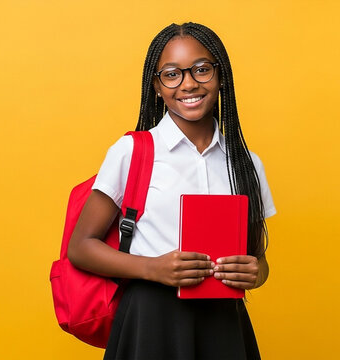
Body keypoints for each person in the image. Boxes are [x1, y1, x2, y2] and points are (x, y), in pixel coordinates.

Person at [68, 22, 276, 359]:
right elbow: (81, 247)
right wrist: (152, 268)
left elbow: (258, 258)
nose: (189, 83)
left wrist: (256, 272)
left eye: (202, 70)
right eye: (171, 74)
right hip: (149, 320)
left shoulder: (245, 163)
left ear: (221, 77)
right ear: (156, 87)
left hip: (223, 322)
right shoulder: (133, 152)